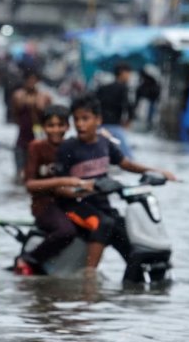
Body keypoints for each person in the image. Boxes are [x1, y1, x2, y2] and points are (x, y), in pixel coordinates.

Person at [56, 94, 175, 273]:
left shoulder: (105, 144)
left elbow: (126, 164)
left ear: (98, 120)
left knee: (125, 233)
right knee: (103, 224)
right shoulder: (68, 148)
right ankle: (89, 277)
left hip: (101, 205)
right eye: (77, 120)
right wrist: (83, 190)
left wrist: (156, 171)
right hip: (75, 206)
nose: (80, 124)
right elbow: (58, 187)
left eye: (85, 119)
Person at [17, 105, 91, 275]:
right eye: (51, 125)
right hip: (44, 205)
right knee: (66, 231)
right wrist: (62, 181)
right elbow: (30, 185)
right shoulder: (36, 147)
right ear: (44, 127)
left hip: (69, 202)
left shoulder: (72, 147)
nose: (55, 130)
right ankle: (29, 258)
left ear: (68, 127)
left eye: (60, 125)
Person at [10, 69, 51, 182]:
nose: (31, 82)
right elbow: (15, 114)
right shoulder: (18, 96)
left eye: (34, 80)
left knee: (39, 172)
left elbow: (50, 116)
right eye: (29, 80)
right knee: (20, 173)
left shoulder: (44, 97)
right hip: (22, 138)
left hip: (38, 138)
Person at [136, 66, 161, 131]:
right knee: (148, 112)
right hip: (150, 97)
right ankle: (148, 124)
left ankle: (149, 125)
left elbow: (151, 88)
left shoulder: (148, 78)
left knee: (150, 113)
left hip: (152, 97)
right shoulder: (146, 78)